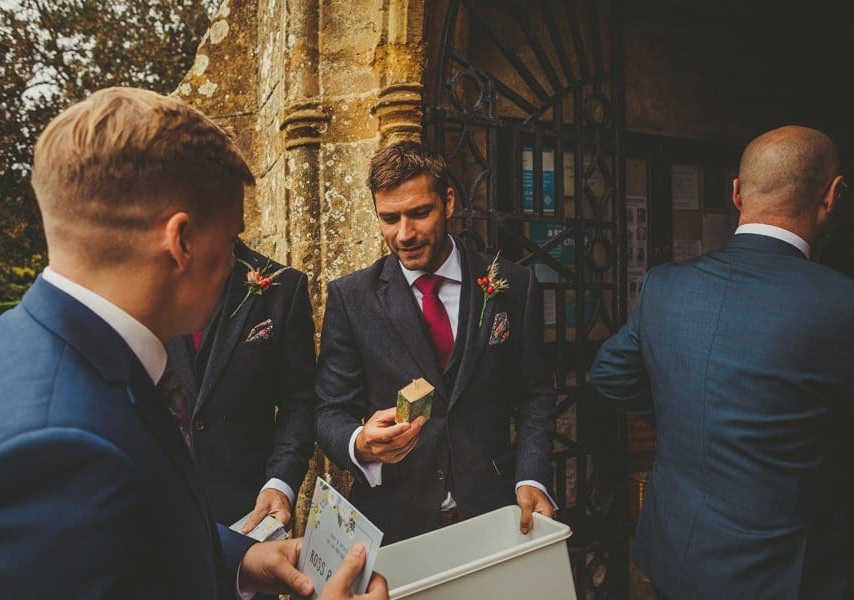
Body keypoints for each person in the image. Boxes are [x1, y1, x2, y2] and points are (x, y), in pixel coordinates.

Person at [0, 86, 386, 600]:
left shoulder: (39, 348)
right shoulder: (55, 452)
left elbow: (142, 538)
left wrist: (239, 559)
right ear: (181, 242)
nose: (237, 261)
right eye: (230, 239)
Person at [590, 125, 854, 599]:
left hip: (674, 556)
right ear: (834, 196)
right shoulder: (842, 305)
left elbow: (607, 373)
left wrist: (684, 409)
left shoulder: (666, 286)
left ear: (735, 193)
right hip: (782, 573)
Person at [314, 141, 557, 545]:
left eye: (419, 213)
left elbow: (535, 393)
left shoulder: (513, 285)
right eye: (389, 218)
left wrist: (531, 476)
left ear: (447, 202)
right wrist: (361, 444)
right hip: (393, 522)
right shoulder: (351, 297)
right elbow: (329, 411)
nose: (404, 234)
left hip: (495, 514)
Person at [164, 236, 316, 532]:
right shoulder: (144, 285)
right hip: (164, 515)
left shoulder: (284, 288)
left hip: (252, 516)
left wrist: (280, 483)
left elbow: (300, 402)